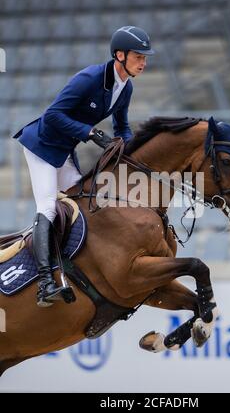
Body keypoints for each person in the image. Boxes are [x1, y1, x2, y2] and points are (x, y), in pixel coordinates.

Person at [13, 26, 155, 307]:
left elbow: (122, 127)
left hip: (64, 151)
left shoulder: (125, 86)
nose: (144, 62)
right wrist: (88, 133)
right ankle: (44, 283)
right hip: (41, 146)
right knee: (49, 207)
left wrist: (131, 152)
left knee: (85, 202)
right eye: (139, 56)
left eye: (145, 57)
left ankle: (71, 263)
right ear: (119, 55)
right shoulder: (90, 78)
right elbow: (53, 115)